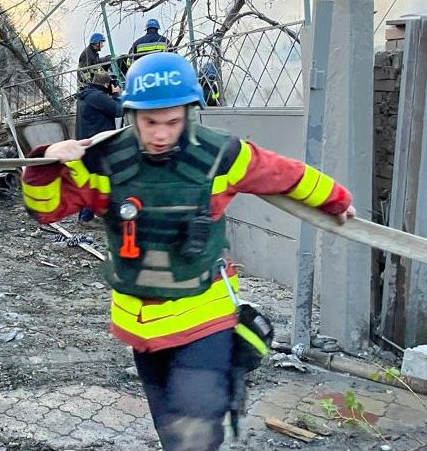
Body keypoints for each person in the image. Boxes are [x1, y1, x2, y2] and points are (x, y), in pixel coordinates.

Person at [21, 52, 355, 450]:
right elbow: (46, 210)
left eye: (172, 122)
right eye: (150, 122)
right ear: (131, 115)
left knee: (195, 433)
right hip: (142, 324)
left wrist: (336, 199)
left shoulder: (222, 155)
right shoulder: (102, 160)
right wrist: (44, 164)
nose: (161, 134)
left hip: (204, 314)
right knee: (171, 432)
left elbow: (286, 174)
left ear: (189, 113)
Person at [75, 71, 123, 225]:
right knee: (98, 181)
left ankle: (88, 215)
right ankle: (86, 217)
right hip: (97, 144)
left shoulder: (87, 95)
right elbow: (119, 110)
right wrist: (116, 95)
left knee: (92, 180)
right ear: (106, 84)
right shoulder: (97, 97)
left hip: (89, 143)